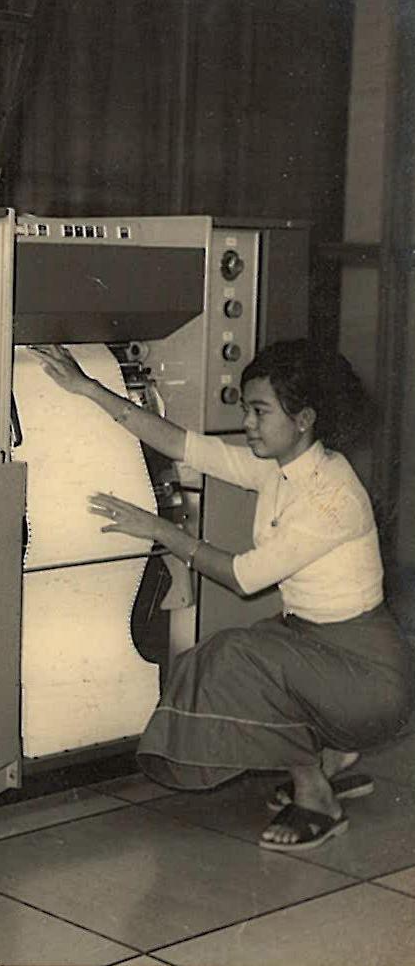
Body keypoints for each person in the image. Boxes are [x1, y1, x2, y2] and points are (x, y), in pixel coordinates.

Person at [32, 339, 413, 853]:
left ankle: (316, 794)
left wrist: (159, 529)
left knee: (240, 657)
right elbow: (186, 446)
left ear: (303, 418)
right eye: (246, 410)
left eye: (260, 412)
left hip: (369, 678)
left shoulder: (330, 498)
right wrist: (86, 387)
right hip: (329, 650)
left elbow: (241, 577)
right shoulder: (284, 466)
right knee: (249, 651)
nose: (248, 424)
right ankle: (329, 759)